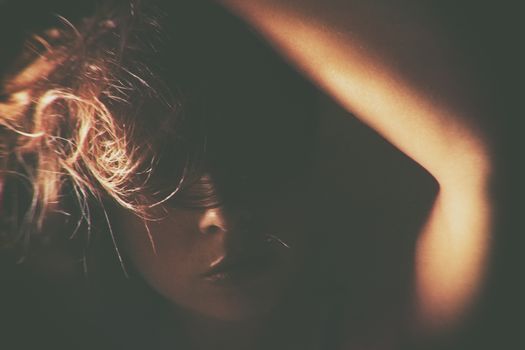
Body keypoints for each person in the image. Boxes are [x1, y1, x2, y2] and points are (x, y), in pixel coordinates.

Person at [0, 0, 497, 349]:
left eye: (257, 161)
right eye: (164, 179)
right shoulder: (52, 326)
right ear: (108, 201)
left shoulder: (384, 329)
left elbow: (478, 168)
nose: (224, 214)